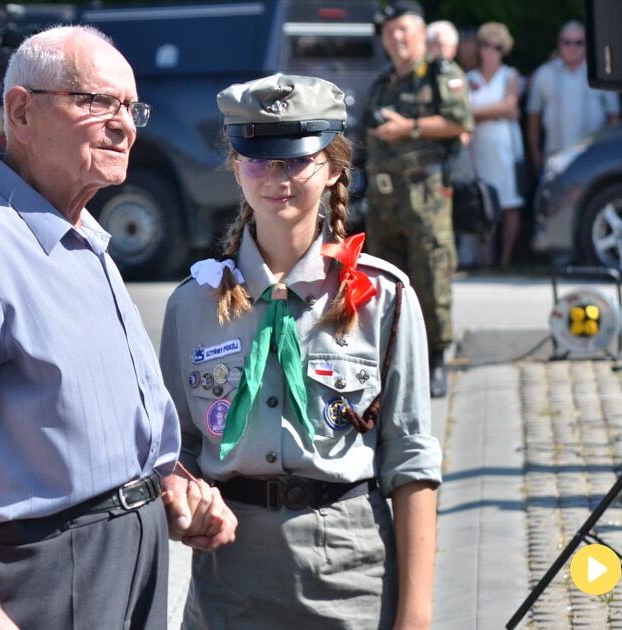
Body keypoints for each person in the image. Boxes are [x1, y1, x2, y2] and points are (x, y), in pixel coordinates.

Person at [0, 25, 236, 629]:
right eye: (95, 102)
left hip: (128, 555)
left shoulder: (86, 237)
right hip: (40, 572)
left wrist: (171, 488)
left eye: (129, 106)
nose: (123, 124)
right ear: (20, 111)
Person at [160, 72, 442, 629]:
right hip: (230, 586)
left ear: (334, 166)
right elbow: (177, 449)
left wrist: (415, 616)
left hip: (350, 581)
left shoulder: (384, 297)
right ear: (236, 166)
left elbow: (410, 463)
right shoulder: (192, 304)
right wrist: (181, 497)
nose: (276, 177)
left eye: (296, 159)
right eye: (258, 159)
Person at [361, 0, 472, 398]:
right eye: (390, 33)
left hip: (426, 198)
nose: (396, 38)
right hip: (384, 201)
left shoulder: (440, 74)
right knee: (388, 282)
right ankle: (395, 361)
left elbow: (460, 121)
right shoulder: (383, 83)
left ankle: (438, 358)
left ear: (421, 33)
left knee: (431, 275)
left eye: (403, 30)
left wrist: (409, 128)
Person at [464, 22, 525, 267]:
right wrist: (497, 111)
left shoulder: (510, 75)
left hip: (504, 147)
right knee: (482, 202)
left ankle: (506, 258)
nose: (490, 51)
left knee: (509, 203)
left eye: (496, 47)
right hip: (478, 148)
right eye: (486, 45)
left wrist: (480, 112)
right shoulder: (470, 77)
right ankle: (486, 259)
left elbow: (509, 106)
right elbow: (465, 113)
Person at [526, 20, 620, 172]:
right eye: (567, 42)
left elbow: (614, 117)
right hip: (554, 158)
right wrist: (535, 154)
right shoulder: (544, 73)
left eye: (578, 42)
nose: (572, 47)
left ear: (587, 45)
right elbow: (533, 116)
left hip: (593, 156)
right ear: (559, 44)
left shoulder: (601, 74)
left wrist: (612, 154)